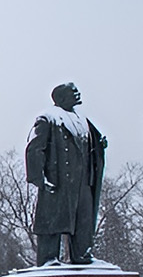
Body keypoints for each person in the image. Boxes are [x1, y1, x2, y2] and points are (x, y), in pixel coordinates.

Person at [25, 82, 108, 266]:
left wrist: (100, 145)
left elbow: (90, 143)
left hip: (83, 182)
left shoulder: (83, 119)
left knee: (83, 223)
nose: (78, 94)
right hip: (58, 182)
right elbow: (35, 148)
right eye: (73, 92)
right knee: (52, 224)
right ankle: (49, 259)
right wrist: (39, 178)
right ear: (61, 98)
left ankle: (82, 255)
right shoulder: (48, 118)